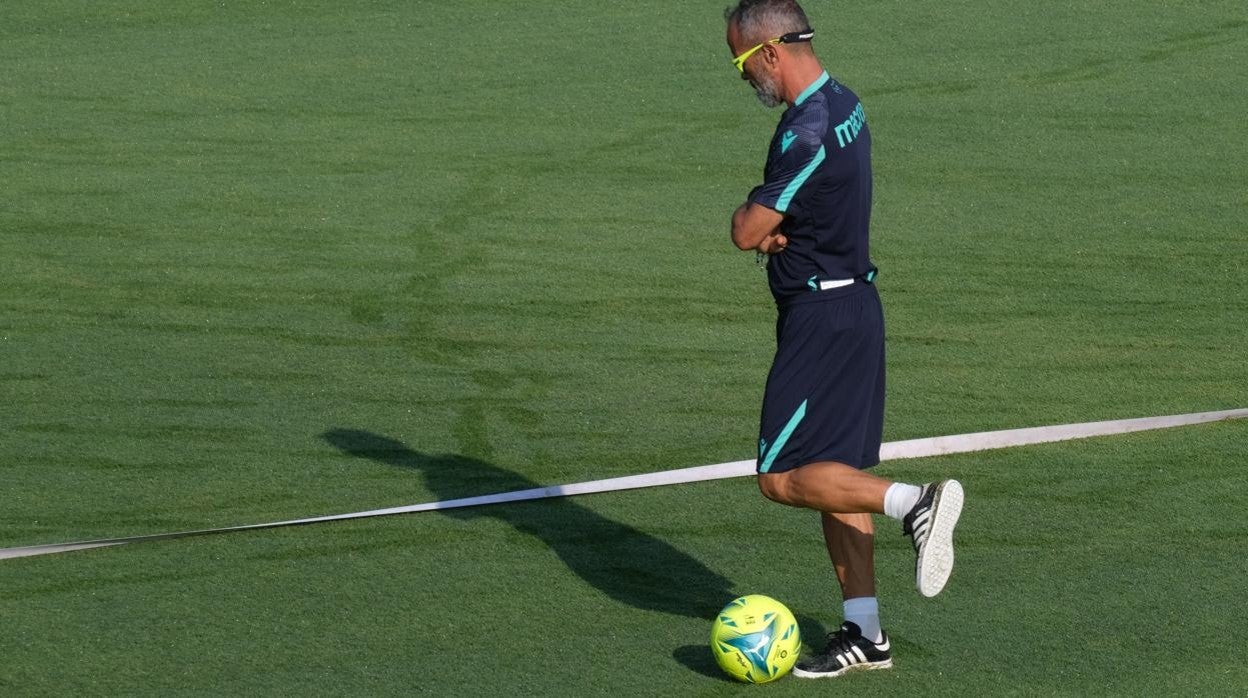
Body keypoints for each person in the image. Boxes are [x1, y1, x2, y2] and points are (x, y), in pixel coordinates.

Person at [723, 0, 965, 679]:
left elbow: (746, 230)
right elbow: (803, 209)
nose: (743, 79)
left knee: (779, 477)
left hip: (821, 324)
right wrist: (783, 227)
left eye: (741, 64)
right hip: (855, 307)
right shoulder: (845, 102)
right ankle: (866, 633)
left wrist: (755, 219)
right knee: (838, 479)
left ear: (769, 52)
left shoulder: (807, 127)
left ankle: (914, 503)